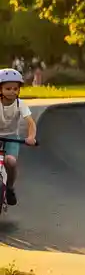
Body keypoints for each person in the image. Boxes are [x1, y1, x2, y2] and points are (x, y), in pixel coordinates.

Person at [0, 68, 37, 206]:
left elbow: (30, 123)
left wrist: (31, 136)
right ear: (0, 89)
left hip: (12, 137)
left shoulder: (20, 104)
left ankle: (9, 187)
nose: (12, 91)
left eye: (15, 88)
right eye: (8, 88)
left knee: (11, 161)